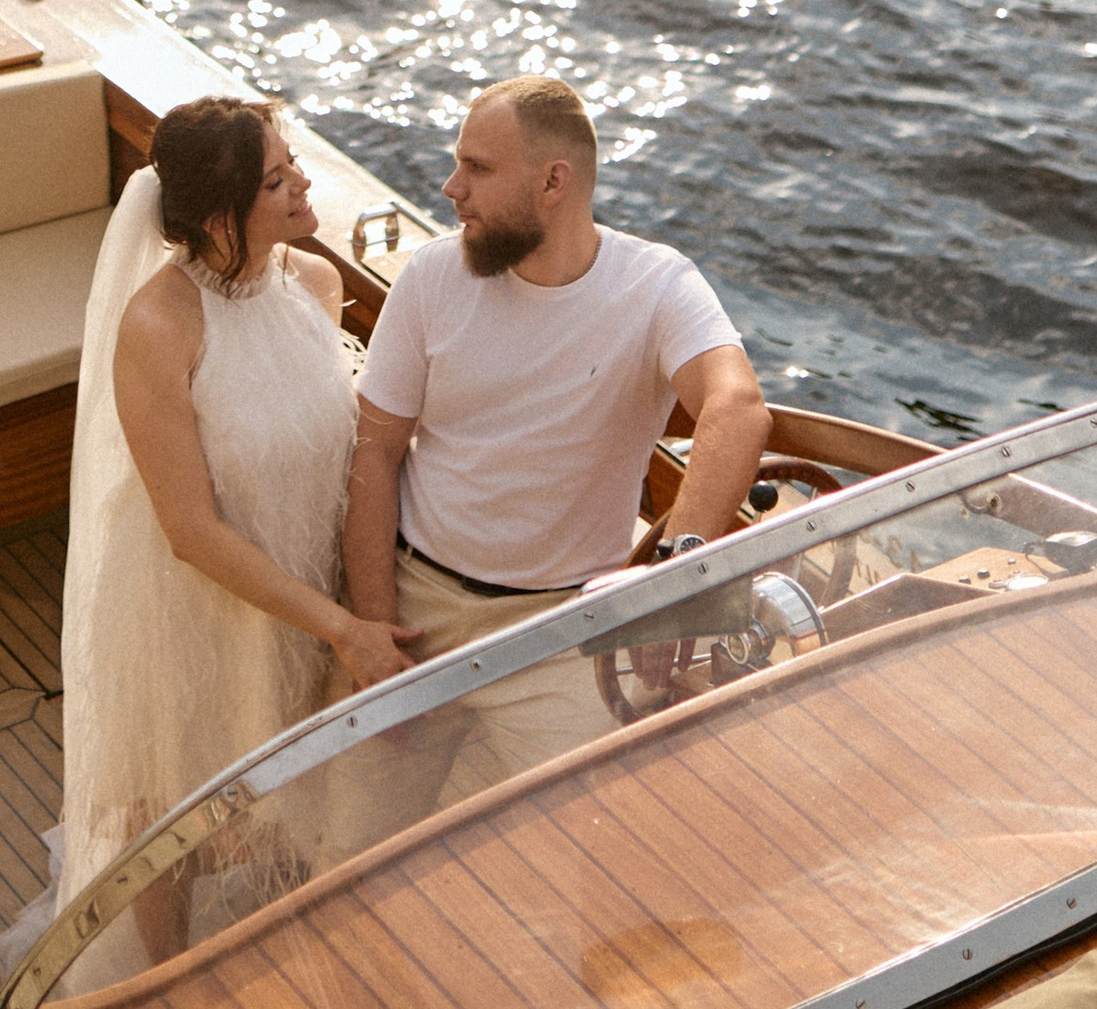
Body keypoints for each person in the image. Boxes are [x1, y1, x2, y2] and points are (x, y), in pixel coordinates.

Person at [340, 73, 767, 785]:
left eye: (477, 168)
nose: (451, 187)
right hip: (415, 605)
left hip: (566, 634)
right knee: (348, 839)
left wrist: (678, 573)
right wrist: (375, 630)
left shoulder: (657, 285)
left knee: (588, 835)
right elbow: (375, 452)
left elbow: (738, 408)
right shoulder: (431, 276)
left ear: (552, 182)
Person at [54, 96, 413, 928]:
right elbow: (189, 531)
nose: (303, 185)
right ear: (220, 217)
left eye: (294, 165)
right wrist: (343, 627)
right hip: (199, 605)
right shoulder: (159, 324)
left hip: (308, 592)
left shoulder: (316, 284)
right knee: (170, 815)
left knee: (288, 792)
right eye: (277, 181)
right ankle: (168, 972)